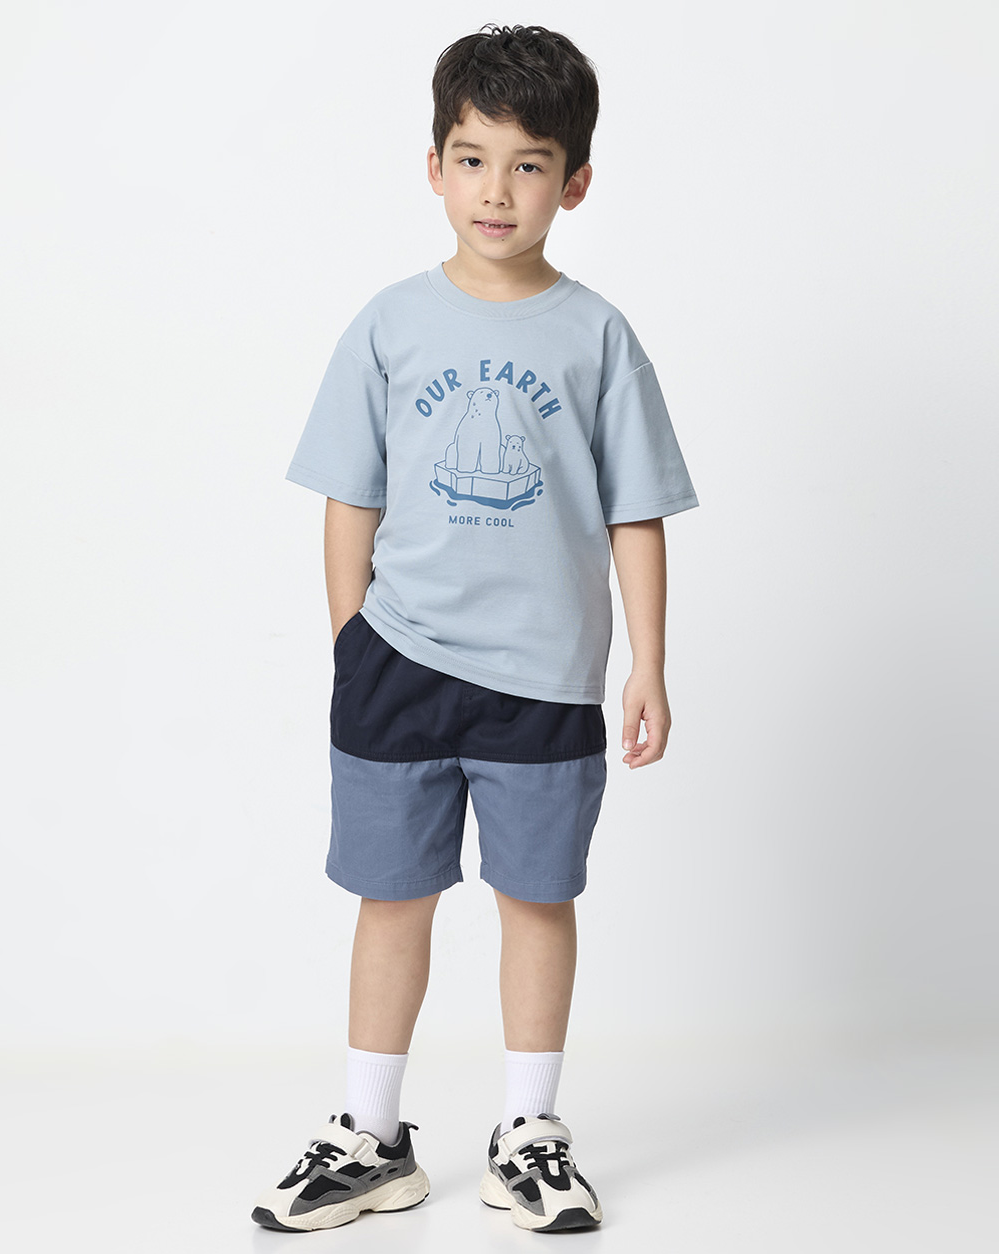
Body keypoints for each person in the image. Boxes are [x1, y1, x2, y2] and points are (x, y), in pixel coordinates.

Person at [251, 22, 699, 1235]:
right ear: (434, 167)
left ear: (575, 182)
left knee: (535, 898)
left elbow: (637, 510)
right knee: (390, 897)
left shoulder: (596, 336)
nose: (496, 190)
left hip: (545, 678)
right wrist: (350, 642)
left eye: (528, 164)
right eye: (472, 158)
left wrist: (648, 662)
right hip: (395, 663)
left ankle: (529, 1131)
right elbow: (349, 495)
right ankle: (369, 1133)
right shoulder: (389, 323)